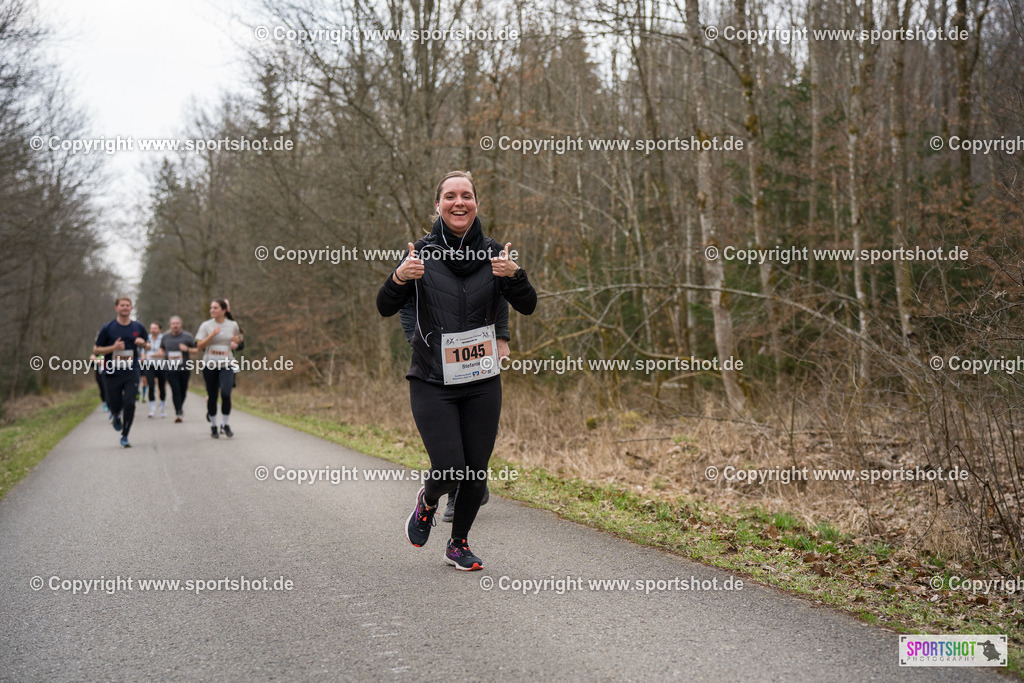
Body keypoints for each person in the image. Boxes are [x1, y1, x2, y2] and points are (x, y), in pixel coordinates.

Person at [377, 170, 536, 570]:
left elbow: (527, 304)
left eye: (466, 195)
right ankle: (428, 500)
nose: (459, 202)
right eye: (450, 196)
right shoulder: (420, 255)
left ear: (476, 203)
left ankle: (458, 544)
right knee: (450, 467)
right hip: (433, 379)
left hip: (482, 378)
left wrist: (515, 277)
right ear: (438, 205)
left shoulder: (495, 255)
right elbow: (384, 305)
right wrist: (399, 278)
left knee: (476, 471)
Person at [400, 297, 508, 523]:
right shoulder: (419, 261)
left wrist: (501, 335)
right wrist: (414, 336)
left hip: (478, 354)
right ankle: (453, 494)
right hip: (436, 356)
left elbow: (499, 292)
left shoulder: (484, 261)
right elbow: (405, 299)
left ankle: (473, 483)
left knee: (477, 430)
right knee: (448, 434)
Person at [93, 297, 150, 448]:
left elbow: (149, 346)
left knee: (130, 402)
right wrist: (113, 348)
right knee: (114, 403)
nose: (125, 308)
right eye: (122, 305)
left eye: (127, 305)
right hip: (112, 371)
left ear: (131, 308)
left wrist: (143, 343)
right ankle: (116, 414)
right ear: (116, 308)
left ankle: (125, 435)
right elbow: (96, 349)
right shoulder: (108, 328)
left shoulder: (138, 327)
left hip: (132, 370)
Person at [196, 299, 243, 438]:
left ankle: (225, 424)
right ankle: (213, 426)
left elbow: (239, 337)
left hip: (227, 364)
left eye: (215, 308)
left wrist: (237, 340)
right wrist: (211, 335)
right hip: (210, 365)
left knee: (226, 393)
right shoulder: (206, 325)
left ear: (224, 310)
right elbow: (199, 346)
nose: (212, 310)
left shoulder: (232, 324)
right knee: (212, 396)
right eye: (211, 308)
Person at [154, 316, 197, 423]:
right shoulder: (165, 337)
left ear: (180, 325)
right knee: (175, 390)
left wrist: (187, 349)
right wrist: (160, 352)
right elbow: (161, 348)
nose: (175, 326)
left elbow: (196, 350)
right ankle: (178, 412)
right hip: (170, 368)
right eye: (173, 324)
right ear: (170, 325)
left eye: (177, 323)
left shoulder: (188, 336)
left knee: (183, 390)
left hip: (184, 368)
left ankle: (179, 407)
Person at [145, 321, 168, 418]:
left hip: (161, 365)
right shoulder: (147, 338)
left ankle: (162, 407)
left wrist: (163, 354)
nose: (153, 330)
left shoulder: (164, 338)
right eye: (151, 328)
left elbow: (166, 351)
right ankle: (152, 408)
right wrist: (142, 355)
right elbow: (143, 350)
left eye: (155, 328)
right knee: (150, 386)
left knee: (162, 387)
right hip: (149, 365)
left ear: (159, 330)